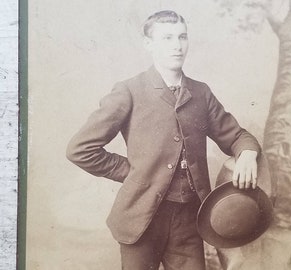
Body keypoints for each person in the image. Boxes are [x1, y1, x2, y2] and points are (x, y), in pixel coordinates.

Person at [66, 10, 261, 270]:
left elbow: (237, 136)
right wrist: (133, 173)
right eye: (167, 38)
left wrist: (247, 152)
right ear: (149, 44)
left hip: (191, 221)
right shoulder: (129, 91)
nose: (177, 46)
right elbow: (80, 149)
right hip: (141, 220)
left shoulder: (201, 93)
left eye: (182, 37)